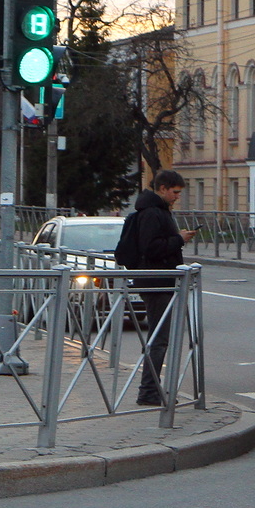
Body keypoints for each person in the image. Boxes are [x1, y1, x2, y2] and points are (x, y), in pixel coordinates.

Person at [115, 169, 196, 406]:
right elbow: (150, 248)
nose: (176, 197)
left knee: (160, 338)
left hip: (158, 281)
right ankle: (148, 392)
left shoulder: (154, 211)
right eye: (175, 192)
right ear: (162, 188)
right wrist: (180, 239)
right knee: (159, 339)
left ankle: (151, 390)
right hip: (157, 283)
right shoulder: (152, 213)